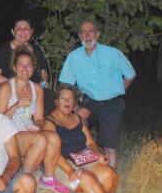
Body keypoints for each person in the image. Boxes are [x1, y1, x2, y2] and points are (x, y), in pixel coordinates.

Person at [42, 84, 130, 193]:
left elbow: (90, 143)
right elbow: (53, 153)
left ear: (74, 102)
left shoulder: (78, 118)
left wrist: (98, 154)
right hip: (62, 163)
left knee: (109, 174)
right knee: (88, 179)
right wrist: (70, 171)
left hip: (83, 157)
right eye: (63, 98)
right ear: (56, 101)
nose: (67, 102)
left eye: (70, 99)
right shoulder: (49, 123)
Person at [58, 20, 136, 168]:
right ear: (79, 36)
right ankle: (81, 173)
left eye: (91, 31)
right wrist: (77, 108)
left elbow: (130, 75)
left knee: (110, 146)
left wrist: (118, 90)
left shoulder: (113, 54)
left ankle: (110, 176)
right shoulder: (74, 57)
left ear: (97, 34)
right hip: (87, 103)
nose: (87, 35)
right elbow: (65, 86)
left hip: (111, 103)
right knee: (76, 139)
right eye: (83, 32)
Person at [0, 46, 72, 193]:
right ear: (14, 67)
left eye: (28, 65)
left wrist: (36, 127)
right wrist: (15, 106)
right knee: (40, 140)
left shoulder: (37, 89)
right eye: (21, 65)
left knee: (53, 137)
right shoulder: (6, 87)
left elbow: (38, 118)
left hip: (27, 130)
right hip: (8, 134)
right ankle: (23, 179)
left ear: (33, 68)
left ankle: (48, 178)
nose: (25, 68)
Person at [0, 18, 49, 87]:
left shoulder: (37, 50)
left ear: (31, 32)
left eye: (26, 28)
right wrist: (18, 85)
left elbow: (43, 74)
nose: (23, 31)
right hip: (9, 89)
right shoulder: (2, 51)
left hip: (34, 89)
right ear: (13, 32)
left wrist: (42, 84)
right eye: (19, 28)